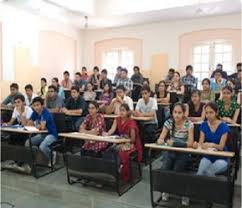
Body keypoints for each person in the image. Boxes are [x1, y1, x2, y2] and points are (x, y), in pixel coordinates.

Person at [157, 103, 194, 206]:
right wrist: (161, 140)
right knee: (165, 168)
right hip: (171, 151)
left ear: (183, 113)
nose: (177, 115)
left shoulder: (189, 124)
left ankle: (184, 194)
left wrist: (176, 143)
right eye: (175, 112)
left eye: (179, 113)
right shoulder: (169, 122)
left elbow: (190, 144)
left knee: (178, 170)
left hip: (184, 152)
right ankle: (166, 190)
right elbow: (161, 138)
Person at [103, 104, 142, 182]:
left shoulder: (131, 122)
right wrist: (107, 134)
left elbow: (133, 139)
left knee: (121, 152)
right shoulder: (117, 119)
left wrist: (123, 139)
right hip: (120, 142)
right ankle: (111, 172)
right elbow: (112, 129)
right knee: (108, 151)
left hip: (130, 144)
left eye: (123, 110)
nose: (121, 112)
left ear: (127, 112)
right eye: (120, 110)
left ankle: (121, 173)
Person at [194, 102, 229, 177]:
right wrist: (198, 145)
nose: (208, 115)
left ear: (216, 113)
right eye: (206, 113)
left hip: (221, 157)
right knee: (200, 173)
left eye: (211, 112)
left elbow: (221, 147)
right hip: (208, 156)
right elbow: (201, 143)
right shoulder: (204, 125)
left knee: (209, 172)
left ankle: (211, 188)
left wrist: (211, 145)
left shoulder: (224, 126)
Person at [25, 97, 58, 171]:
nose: (36, 107)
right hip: (42, 134)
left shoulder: (46, 113)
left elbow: (42, 127)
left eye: (38, 105)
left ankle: (52, 155)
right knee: (28, 142)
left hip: (51, 134)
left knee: (42, 146)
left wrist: (36, 125)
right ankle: (36, 157)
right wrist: (36, 125)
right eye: (34, 105)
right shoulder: (34, 113)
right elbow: (28, 124)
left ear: (42, 105)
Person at [134, 85, 158, 160]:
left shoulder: (153, 100)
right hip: (142, 123)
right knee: (137, 133)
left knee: (148, 132)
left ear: (149, 93)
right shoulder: (140, 101)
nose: (144, 95)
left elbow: (152, 113)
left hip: (152, 123)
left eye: (145, 93)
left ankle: (149, 153)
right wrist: (141, 114)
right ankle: (140, 153)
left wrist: (141, 114)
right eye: (142, 94)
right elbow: (136, 112)